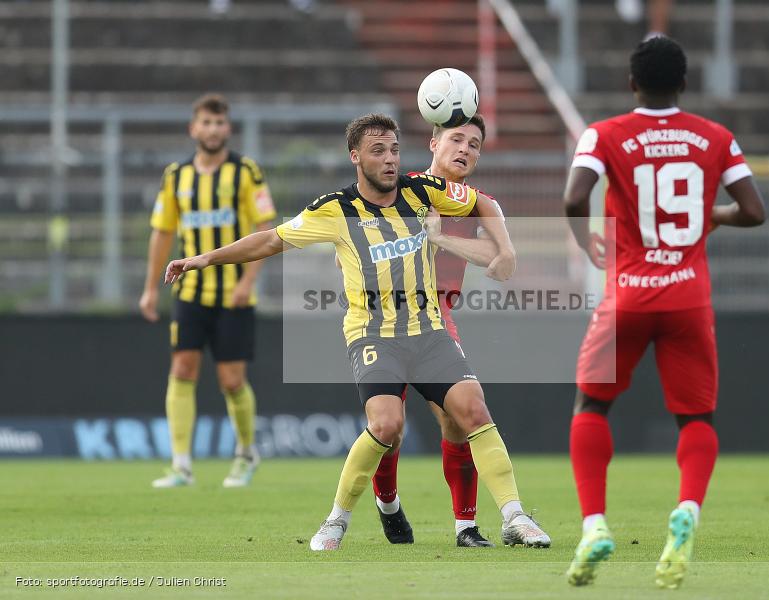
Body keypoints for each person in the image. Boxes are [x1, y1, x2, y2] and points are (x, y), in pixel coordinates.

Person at [163, 113, 551, 551]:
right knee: (387, 425)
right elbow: (270, 239)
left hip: (429, 331)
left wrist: (505, 244)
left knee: (473, 410)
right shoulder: (334, 209)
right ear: (355, 157)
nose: (390, 160)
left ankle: (514, 517)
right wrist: (204, 259)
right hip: (374, 335)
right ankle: (336, 520)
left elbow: (487, 203)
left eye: (395, 150)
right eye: (378, 151)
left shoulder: (423, 191)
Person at [562, 37, 765, 589]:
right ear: (683, 83)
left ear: (632, 84)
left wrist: (586, 242)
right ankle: (688, 510)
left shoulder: (605, 133)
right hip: (688, 298)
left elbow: (575, 199)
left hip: (627, 294)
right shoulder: (714, 136)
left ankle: (594, 525)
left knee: (592, 404)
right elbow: (754, 211)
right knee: (696, 419)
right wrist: (710, 215)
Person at [367, 115, 504, 548]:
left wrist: (441, 238)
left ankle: (465, 526)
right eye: (457, 139)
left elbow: (501, 260)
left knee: (457, 419)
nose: (465, 149)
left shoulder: (478, 202)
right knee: (389, 428)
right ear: (432, 143)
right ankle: (388, 505)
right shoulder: (400, 189)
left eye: (475, 144)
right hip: (386, 318)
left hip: (439, 318)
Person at [139, 93, 275, 489]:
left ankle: (246, 453)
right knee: (182, 370)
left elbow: (266, 229)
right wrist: (150, 289)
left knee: (231, 380)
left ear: (227, 129)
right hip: (189, 293)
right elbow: (162, 233)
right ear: (193, 128)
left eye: (219, 123)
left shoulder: (246, 172)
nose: (213, 130)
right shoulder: (175, 176)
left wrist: (249, 281)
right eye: (206, 123)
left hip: (234, 294)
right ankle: (181, 464)